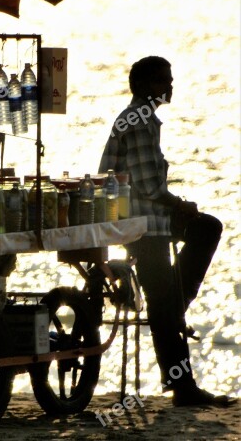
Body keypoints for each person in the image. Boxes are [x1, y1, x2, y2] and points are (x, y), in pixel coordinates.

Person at [99, 56, 235, 407]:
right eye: (163, 81)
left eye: (169, 79)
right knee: (166, 295)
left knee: (206, 230)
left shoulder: (141, 118)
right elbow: (149, 187)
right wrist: (181, 206)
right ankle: (182, 382)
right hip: (143, 222)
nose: (169, 86)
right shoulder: (140, 121)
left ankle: (175, 309)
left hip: (147, 217)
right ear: (144, 86)